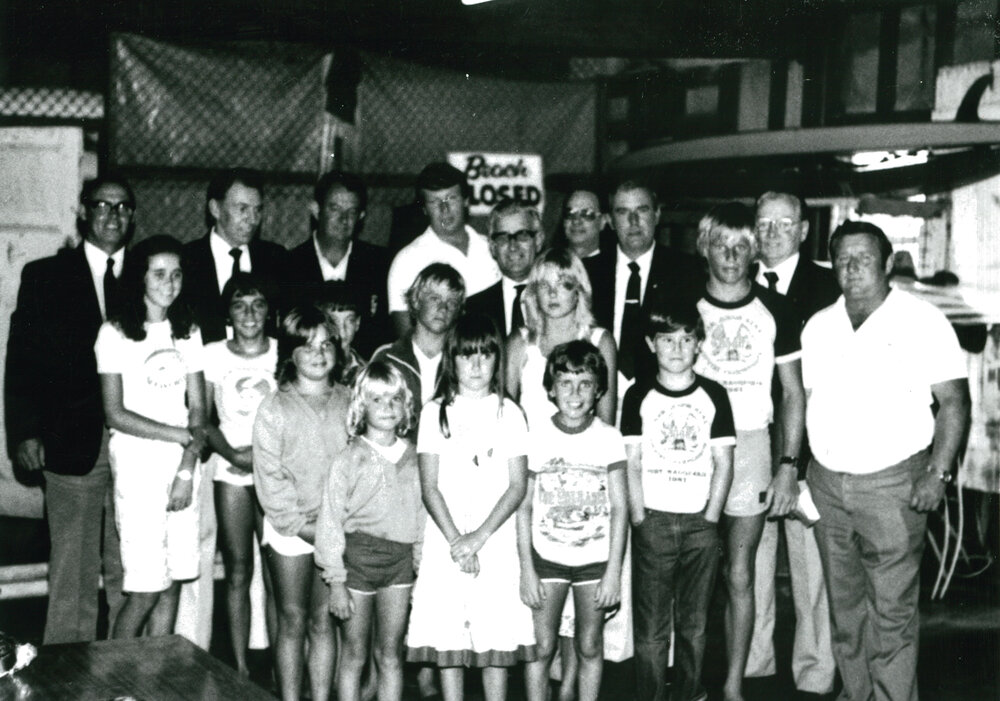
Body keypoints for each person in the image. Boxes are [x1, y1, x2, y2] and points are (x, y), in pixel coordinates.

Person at [802, 220, 969, 701]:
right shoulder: (819, 327)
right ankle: (857, 695)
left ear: (888, 262)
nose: (853, 269)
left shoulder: (922, 321)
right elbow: (811, 400)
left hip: (893, 485)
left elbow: (955, 402)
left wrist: (937, 473)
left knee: (893, 615)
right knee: (846, 612)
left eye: (865, 258)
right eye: (843, 259)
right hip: (829, 486)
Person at [5, 174, 130, 644]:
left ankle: (126, 674)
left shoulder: (146, 277)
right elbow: (22, 363)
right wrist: (25, 433)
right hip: (71, 442)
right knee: (73, 573)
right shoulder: (45, 276)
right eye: (102, 205)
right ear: (82, 212)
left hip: (135, 447)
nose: (112, 215)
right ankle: (67, 679)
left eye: (122, 207)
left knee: (130, 571)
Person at [693, 203, 804, 701]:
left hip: (752, 446)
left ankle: (733, 686)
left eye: (742, 245)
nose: (732, 254)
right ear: (705, 246)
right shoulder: (682, 304)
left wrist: (787, 466)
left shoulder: (775, 310)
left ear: (754, 250)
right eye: (722, 244)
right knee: (688, 574)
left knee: (740, 574)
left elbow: (793, 395)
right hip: (691, 450)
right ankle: (687, 683)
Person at [179, 167, 287, 649]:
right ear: (214, 209)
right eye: (242, 208)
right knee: (202, 551)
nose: (252, 219)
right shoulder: (185, 262)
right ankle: (194, 649)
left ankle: (264, 653)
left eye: (258, 209)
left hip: (266, 447)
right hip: (206, 435)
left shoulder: (274, 260)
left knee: (272, 560)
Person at [405, 313, 536, 701]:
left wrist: (477, 538)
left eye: (485, 355)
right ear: (452, 360)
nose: (477, 365)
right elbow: (430, 487)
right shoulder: (434, 413)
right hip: (447, 541)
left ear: (498, 359)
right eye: (466, 356)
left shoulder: (509, 413)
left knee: (494, 636)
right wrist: (457, 542)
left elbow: (516, 486)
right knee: (449, 640)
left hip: (493, 541)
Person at [748, 191, 839, 696]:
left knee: (811, 575)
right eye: (764, 223)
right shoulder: (737, 283)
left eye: (785, 223)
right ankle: (754, 665)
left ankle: (814, 675)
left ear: (805, 230)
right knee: (752, 569)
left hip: (808, 454)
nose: (773, 232)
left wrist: (798, 462)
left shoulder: (829, 286)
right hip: (747, 451)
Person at [95, 235, 207, 639]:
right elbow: (115, 413)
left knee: (174, 580)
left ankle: (158, 684)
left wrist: (187, 466)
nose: (169, 283)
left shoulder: (188, 330)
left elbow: (199, 407)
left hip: (182, 466)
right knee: (145, 589)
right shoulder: (114, 333)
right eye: (159, 273)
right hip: (138, 466)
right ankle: (110, 689)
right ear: (139, 278)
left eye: (176, 274)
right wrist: (177, 434)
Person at [622, 305, 735, 701]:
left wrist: (711, 516)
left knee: (695, 622)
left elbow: (724, 461)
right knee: (652, 626)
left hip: (699, 524)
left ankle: (689, 692)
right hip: (653, 519)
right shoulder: (638, 393)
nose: (677, 348)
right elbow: (632, 461)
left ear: (699, 345)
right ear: (652, 345)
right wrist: (639, 515)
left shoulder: (714, 394)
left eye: (687, 339)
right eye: (667, 340)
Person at [518, 340, 628, 701]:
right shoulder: (535, 437)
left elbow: (620, 508)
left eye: (585, 384)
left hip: (593, 562)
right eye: (565, 383)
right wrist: (527, 569)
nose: (575, 393)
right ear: (551, 388)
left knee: (590, 644)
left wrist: (613, 571)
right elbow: (525, 506)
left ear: (599, 390)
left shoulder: (609, 439)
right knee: (542, 645)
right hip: (546, 558)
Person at [253, 306, 350, 701]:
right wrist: (304, 527)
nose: (318, 353)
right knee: (291, 619)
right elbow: (270, 479)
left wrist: (337, 530)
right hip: (291, 529)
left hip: (337, 530)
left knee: (322, 621)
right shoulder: (274, 408)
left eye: (327, 344)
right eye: (307, 345)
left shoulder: (349, 401)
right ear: (289, 353)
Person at [315, 361, 422, 701]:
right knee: (354, 655)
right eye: (377, 399)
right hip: (357, 563)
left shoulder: (415, 458)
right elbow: (330, 520)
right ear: (361, 406)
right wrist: (336, 582)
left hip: (399, 564)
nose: (387, 407)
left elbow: (421, 516)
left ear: (405, 404)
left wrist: (420, 568)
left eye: (394, 399)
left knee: (390, 655)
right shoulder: (349, 458)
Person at [201, 272, 279, 676]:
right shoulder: (213, 353)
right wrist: (231, 451)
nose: (249, 314)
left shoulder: (283, 352)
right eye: (239, 305)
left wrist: (263, 458)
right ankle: (241, 669)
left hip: (275, 474)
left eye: (258, 303)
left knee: (276, 571)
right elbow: (202, 419)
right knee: (237, 570)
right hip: (230, 471)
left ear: (269, 310)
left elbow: (293, 416)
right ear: (228, 312)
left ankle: (283, 669)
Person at [587, 179, 705, 400]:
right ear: (610, 221)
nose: (633, 221)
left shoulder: (686, 270)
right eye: (623, 212)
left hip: (663, 398)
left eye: (642, 210)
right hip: (598, 397)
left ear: (657, 215)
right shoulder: (589, 273)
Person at [507, 247, 617, 428]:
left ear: (578, 291)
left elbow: (606, 424)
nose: (552, 293)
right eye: (544, 285)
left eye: (562, 284)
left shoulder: (600, 341)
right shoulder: (520, 342)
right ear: (534, 292)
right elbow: (506, 419)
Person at [285, 170, 391, 357]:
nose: (343, 219)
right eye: (334, 209)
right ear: (316, 210)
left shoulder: (378, 263)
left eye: (352, 211)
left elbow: (382, 333)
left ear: (361, 216)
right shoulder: (290, 265)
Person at [386, 162, 500, 337]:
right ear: (424, 209)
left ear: (466, 200)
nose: (444, 209)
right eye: (434, 201)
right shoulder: (407, 260)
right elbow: (406, 339)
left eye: (451, 198)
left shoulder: (492, 248)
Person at [371, 263, 466, 430]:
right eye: (434, 298)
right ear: (416, 301)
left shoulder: (464, 361)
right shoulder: (388, 357)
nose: (443, 308)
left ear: (459, 310)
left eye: (451, 301)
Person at [465, 199, 544, 337]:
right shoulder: (473, 309)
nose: (513, 246)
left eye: (522, 235)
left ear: (538, 240)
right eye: (502, 238)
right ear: (493, 247)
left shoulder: (558, 299)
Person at [318, 281, 369, 387]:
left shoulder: (367, 373)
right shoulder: (313, 368)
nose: (342, 330)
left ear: (357, 323)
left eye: (349, 320)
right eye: (333, 321)